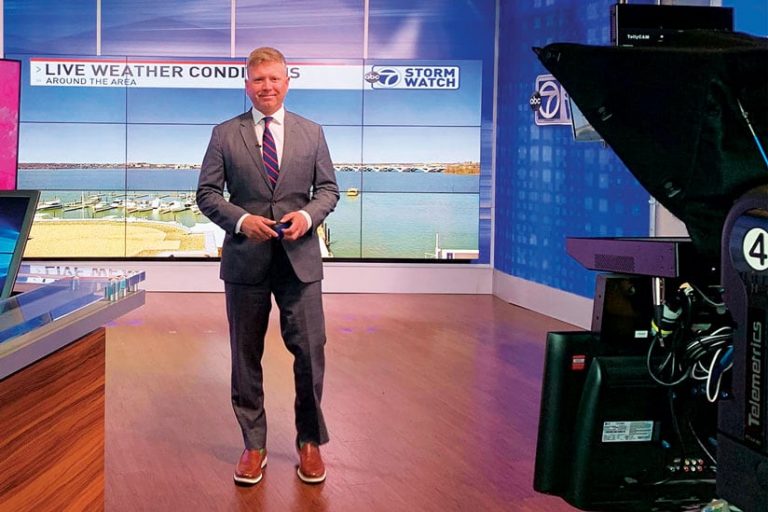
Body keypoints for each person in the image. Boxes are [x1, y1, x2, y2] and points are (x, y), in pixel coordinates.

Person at [196, 47, 339, 486]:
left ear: (287, 82)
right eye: (259, 80)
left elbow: (329, 190)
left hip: (300, 263)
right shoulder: (224, 134)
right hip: (246, 262)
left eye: (274, 79)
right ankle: (253, 445)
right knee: (245, 357)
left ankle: (309, 443)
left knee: (310, 356)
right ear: (248, 86)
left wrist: (308, 216)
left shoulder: (312, 133)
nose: (267, 87)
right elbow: (206, 194)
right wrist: (240, 220)